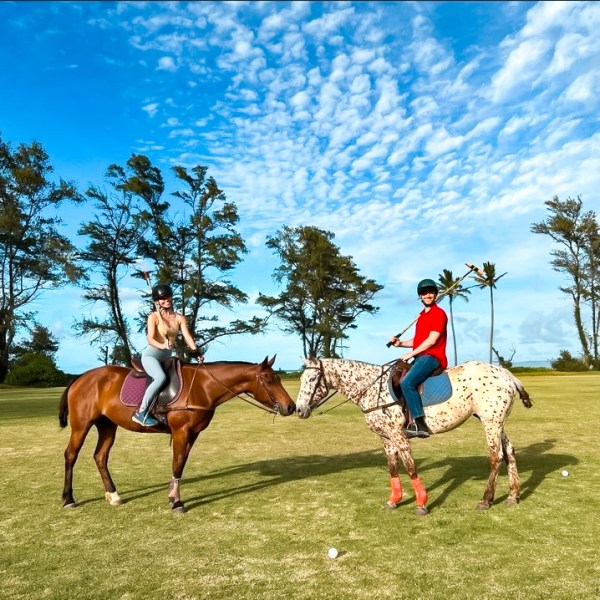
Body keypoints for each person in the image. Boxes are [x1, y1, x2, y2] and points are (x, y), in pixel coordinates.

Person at [132, 283, 202, 427]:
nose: (166, 300)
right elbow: (150, 339)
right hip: (151, 356)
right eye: (162, 298)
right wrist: (163, 345)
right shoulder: (154, 317)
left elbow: (187, 337)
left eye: (168, 297)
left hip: (166, 357)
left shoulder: (179, 318)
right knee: (160, 377)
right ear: (157, 301)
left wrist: (196, 352)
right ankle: (141, 412)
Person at [388, 278, 448, 439]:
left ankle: (420, 426)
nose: (427, 295)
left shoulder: (439, 313)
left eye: (430, 292)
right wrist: (400, 344)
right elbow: (418, 340)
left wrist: (411, 354)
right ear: (420, 296)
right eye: (424, 293)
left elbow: (431, 341)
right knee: (396, 374)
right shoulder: (421, 316)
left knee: (407, 383)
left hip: (433, 356)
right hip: (421, 355)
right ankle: (405, 417)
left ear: (435, 294)